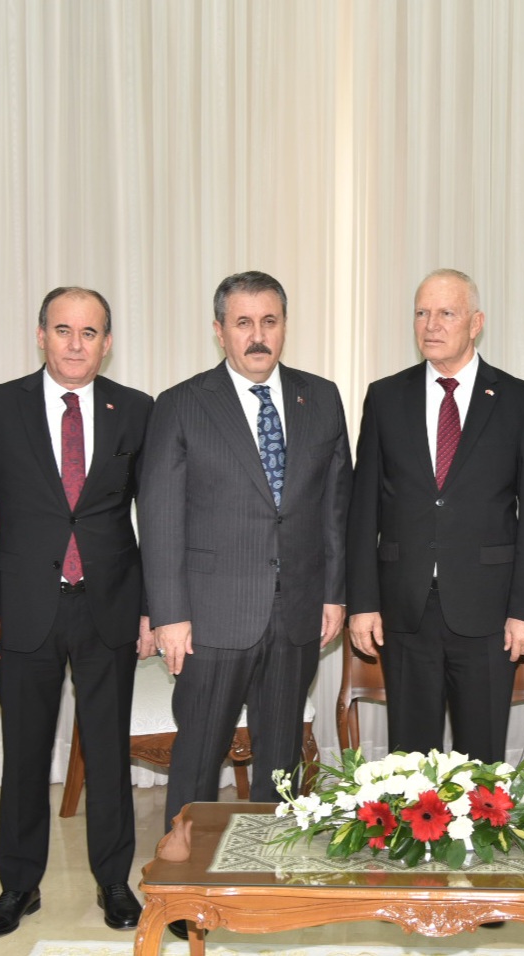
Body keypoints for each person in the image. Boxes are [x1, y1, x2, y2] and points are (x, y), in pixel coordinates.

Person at [0, 288, 154, 937]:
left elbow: (155, 517)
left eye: (89, 332)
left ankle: (114, 881)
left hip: (109, 607)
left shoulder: (135, 410)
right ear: (41, 335)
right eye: (63, 330)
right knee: (24, 753)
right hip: (20, 608)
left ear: (107, 343)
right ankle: (19, 886)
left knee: (108, 752)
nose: (75, 343)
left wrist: (152, 609)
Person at [141, 270, 351, 836]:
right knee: (198, 757)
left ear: (284, 326)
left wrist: (334, 595)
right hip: (210, 618)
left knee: (281, 763)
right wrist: (169, 616)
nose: (258, 336)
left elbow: (336, 508)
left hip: (298, 612)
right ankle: (186, 869)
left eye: (269, 321)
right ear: (220, 331)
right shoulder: (182, 404)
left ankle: (267, 865)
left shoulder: (321, 397)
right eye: (243, 323)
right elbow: (160, 519)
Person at [347, 269, 524, 762]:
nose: (431, 324)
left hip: (489, 609)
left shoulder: (519, 400)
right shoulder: (385, 397)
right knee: (409, 763)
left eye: (446, 313)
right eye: (422, 313)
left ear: (476, 322)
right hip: (404, 608)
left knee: (482, 763)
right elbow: (362, 508)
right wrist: (362, 602)